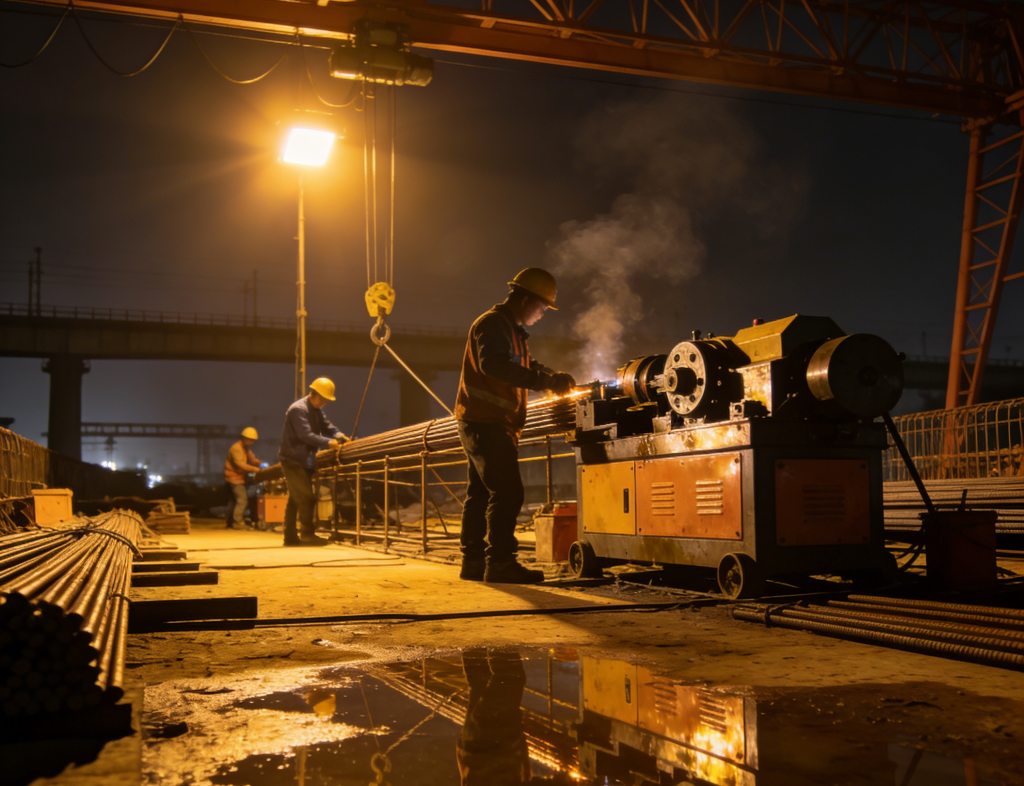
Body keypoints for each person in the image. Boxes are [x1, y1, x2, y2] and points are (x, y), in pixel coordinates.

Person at [455, 268, 576, 584]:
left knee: (481, 494)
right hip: (487, 422)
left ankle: (473, 563)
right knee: (508, 492)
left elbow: (523, 365)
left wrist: (551, 377)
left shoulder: (510, 329)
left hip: (487, 421)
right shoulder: (493, 324)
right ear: (525, 300)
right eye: (542, 308)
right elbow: (494, 366)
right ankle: (500, 563)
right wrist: (545, 381)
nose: (542, 314)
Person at [278, 377, 348, 546]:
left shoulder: (315, 409)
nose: (323, 403)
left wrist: (339, 436)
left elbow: (326, 426)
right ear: (313, 394)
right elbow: (304, 435)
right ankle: (308, 534)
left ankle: (290, 537)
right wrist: (327, 442)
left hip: (306, 460)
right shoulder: (298, 409)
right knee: (307, 498)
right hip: (293, 460)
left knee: (295, 499)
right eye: (322, 400)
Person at [224, 426, 261, 528]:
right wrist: (256, 469)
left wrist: (259, 463)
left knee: (233, 501)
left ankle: (230, 522)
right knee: (242, 500)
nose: (251, 442)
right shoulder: (236, 448)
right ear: (244, 438)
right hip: (234, 479)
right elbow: (240, 465)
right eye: (250, 440)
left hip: (238, 478)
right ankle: (238, 522)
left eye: (253, 440)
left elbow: (252, 459)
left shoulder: (245, 449)